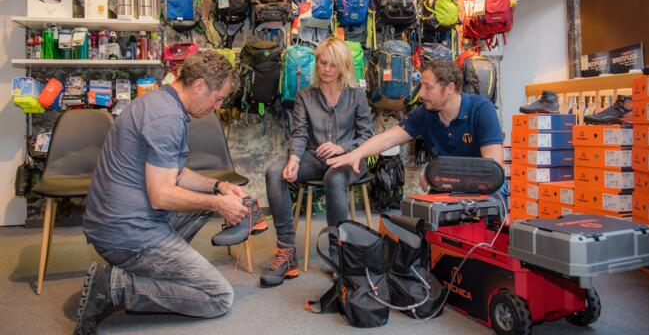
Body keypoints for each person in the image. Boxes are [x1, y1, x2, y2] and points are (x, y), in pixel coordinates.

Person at [76, 51, 252, 335]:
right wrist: (219, 204)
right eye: (218, 98)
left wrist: (218, 187)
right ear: (199, 86)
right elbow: (162, 196)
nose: (218, 107)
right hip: (127, 234)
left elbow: (176, 173)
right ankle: (116, 286)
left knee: (207, 204)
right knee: (219, 297)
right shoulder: (167, 118)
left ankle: (157, 269)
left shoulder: (161, 102)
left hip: (119, 221)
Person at [260, 37, 374, 287]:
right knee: (275, 172)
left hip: (350, 159)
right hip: (315, 156)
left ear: (343, 66)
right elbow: (299, 133)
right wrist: (293, 159)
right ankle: (286, 252)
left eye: (333, 65)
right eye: (323, 63)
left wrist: (342, 148)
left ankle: (338, 253)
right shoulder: (305, 95)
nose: (327, 69)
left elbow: (367, 136)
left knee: (334, 178)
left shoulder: (356, 95)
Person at [328, 59, 507, 197]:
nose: (420, 94)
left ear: (450, 88)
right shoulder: (425, 113)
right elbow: (387, 139)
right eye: (421, 86)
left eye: (428, 88)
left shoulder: (481, 109)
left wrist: (436, 170)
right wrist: (356, 154)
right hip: (446, 190)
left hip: (484, 194)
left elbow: (492, 170)